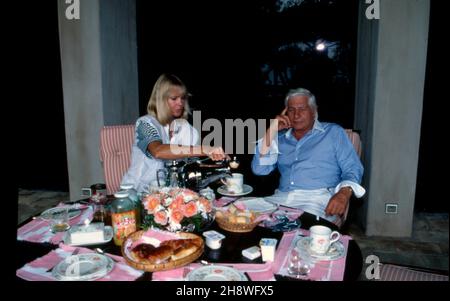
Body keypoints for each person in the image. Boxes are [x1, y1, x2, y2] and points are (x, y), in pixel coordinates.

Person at [251, 88, 365, 224]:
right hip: (280, 199)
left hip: (317, 201)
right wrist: (271, 130)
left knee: (298, 236)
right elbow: (259, 170)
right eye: (291, 110)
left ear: (313, 111)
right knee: (243, 217)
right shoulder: (280, 138)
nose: (296, 115)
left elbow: (352, 167)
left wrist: (344, 193)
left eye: (302, 109)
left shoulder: (333, 132)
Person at [121, 73, 227, 193]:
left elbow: (194, 166)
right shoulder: (145, 124)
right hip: (136, 193)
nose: (180, 103)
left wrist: (219, 168)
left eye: (182, 98)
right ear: (160, 100)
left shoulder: (186, 129)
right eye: (174, 98)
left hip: (170, 196)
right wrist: (204, 149)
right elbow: (158, 151)